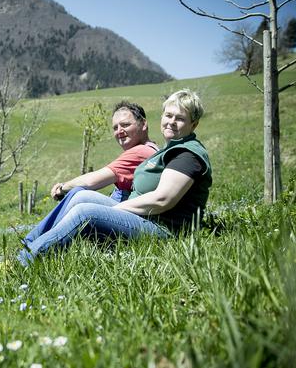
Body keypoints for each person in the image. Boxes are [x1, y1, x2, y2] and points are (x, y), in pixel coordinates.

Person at [17, 89, 212, 266]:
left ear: (193, 124)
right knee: (79, 196)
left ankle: (24, 262)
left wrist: (114, 209)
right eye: (168, 115)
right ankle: (28, 246)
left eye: (180, 118)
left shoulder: (187, 155)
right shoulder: (168, 150)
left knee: (86, 213)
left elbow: (163, 200)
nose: (171, 121)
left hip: (165, 229)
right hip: (146, 217)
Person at [20, 101, 158, 249]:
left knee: (79, 194)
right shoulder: (152, 149)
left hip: (139, 221)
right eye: (115, 127)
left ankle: (30, 247)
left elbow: (92, 181)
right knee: (79, 194)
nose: (119, 131)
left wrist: (62, 187)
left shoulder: (141, 152)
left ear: (143, 124)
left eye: (125, 125)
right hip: (135, 214)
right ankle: (34, 243)